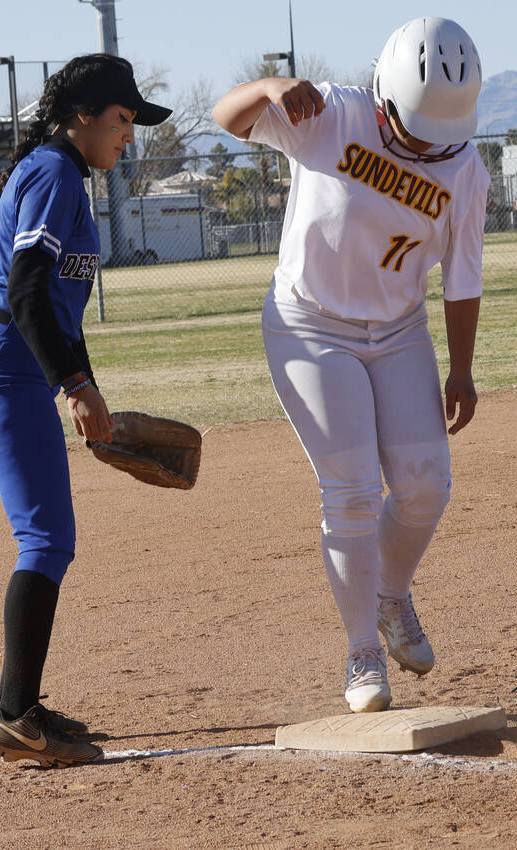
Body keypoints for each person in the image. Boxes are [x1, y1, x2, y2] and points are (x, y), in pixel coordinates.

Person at [211, 17, 489, 713]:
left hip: (398, 331)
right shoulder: (329, 115)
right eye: (415, 123)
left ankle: (391, 598)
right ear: (384, 96)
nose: (427, 141)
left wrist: (462, 369)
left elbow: (462, 278)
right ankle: (363, 651)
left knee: (425, 485)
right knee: (355, 492)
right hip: (311, 326)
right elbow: (228, 118)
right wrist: (275, 85)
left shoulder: (465, 167)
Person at [0, 55, 171, 767]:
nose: (128, 136)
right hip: (0, 371)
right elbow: (27, 289)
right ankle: (12, 716)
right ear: (83, 118)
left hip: (15, 371)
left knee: (49, 536)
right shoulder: (51, 171)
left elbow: (58, 310)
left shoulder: (63, 174)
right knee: (45, 538)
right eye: (122, 120)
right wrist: (75, 385)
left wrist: (85, 388)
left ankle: (21, 702)